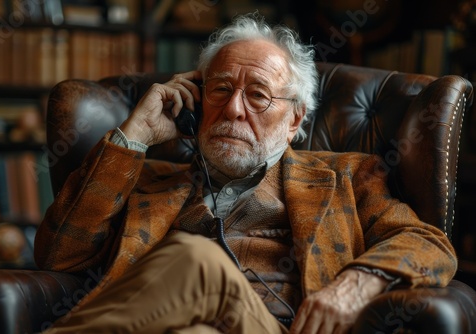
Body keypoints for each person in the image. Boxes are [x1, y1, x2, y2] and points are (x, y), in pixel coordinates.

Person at [35, 12, 457, 334]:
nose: (234, 108)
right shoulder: (147, 179)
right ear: (197, 100)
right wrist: (135, 136)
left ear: (294, 120)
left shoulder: (347, 176)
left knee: (196, 259)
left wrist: (356, 283)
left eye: (257, 95)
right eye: (220, 89)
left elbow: (428, 243)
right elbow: (59, 254)